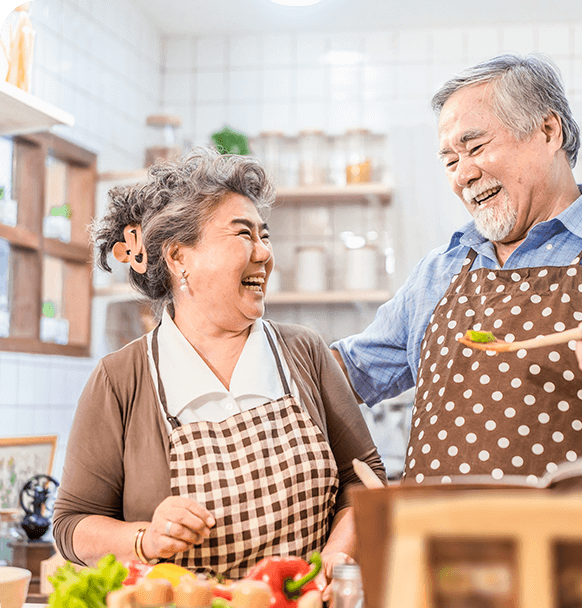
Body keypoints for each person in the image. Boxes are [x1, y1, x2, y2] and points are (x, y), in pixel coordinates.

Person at [331, 53, 582, 484]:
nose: (463, 174)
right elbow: (345, 375)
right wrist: (258, 339)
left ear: (547, 131)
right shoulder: (438, 270)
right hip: (433, 548)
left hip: (577, 548)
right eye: (450, 160)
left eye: (476, 147)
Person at [53, 147, 386, 582]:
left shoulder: (304, 351)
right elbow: (72, 524)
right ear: (178, 258)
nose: (265, 253)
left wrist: (335, 562)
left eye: (265, 236)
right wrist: (144, 539)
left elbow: (362, 478)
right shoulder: (121, 379)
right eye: (244, 234)